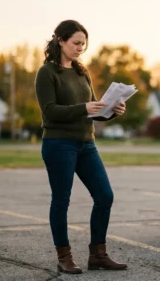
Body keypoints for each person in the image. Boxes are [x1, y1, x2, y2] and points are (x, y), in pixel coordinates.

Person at [35, 19, 128, 274]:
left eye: (83, 45)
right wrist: (84, 108)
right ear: (60, 41)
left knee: (104, 195)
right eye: (76, 43)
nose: (80, 48)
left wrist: (112, 112)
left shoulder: (81, 71)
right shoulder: (47, 73)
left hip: (87, 144)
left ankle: (98, 255)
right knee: (61, 200)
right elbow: (50, 112)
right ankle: (64, 256)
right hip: (58, 144)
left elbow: (93, 109)